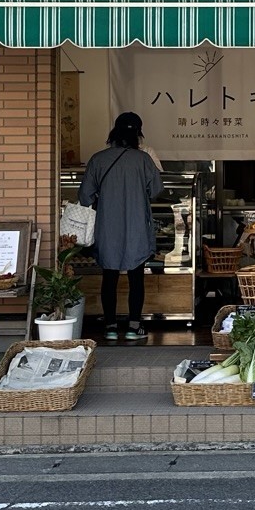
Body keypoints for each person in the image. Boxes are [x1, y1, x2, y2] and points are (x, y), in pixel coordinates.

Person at [79, 112, 166, 344]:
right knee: (136, 278)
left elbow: (85, 196)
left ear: (114, 133)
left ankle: (110, 327)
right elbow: (156, 190)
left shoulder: (98, 159)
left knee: (109, 277)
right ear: (138, 134)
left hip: (107, 228)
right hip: (137, 227)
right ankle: (134, 327)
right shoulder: (143, 159)